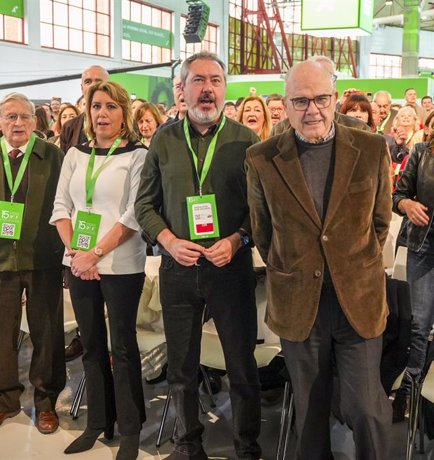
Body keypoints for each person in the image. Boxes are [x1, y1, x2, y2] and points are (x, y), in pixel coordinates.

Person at [246, 59, 392, 460]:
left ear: (335, 98)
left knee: (367, 407)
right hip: (298, 304)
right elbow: (263, 233)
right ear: (287, 104)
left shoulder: (371, 147)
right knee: (309, 413)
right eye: (300, 100)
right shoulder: (262, 158)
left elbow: (380, 222)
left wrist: (352, 263)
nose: (312, 109)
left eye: (321, 98)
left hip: (358, 301)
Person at [135, 51, 262, 460]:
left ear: (225, 89)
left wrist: (239, 239)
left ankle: (247, 447)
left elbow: (262, 211)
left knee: (241, 367)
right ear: (183, 89)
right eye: (198, 80)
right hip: (179, 267)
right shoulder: (164, 139)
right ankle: (187, 445)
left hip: (230, 268)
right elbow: (144, 205)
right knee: (181, 368)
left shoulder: (247, 141)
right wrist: (168, 240)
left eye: (216, 80)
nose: (207, 89)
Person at [51, 80, 147, 460]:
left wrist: (96, 253)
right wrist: (77, 252)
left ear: (124, 114)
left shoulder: (137, 155)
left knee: (122, 347)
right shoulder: (75, 154)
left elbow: (134, 214)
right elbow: (61, 208)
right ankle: (97, 423)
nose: (102, 114)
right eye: (96, 107)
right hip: (77, 261)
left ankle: (130, 428)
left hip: (121, 264)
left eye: (110, 107)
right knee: (90, 343)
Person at [0, 92, 66, 435]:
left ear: (36, 121)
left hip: (43, 260)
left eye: (24, 116)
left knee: (46, 334)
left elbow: (67, 208)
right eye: (10, 117)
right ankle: (4, 401)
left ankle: (46, 401)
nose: (18, 123)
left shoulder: (53, 157)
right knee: (2, 336)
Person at [391, 110, 434, 421]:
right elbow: (398, 195)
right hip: (424, 248)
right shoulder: (421, 153)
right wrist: (407, 204)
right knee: (419, 325)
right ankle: (409, 394)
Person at [60, 65, 109, 152]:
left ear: (109, 86)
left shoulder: (123, 124)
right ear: (82, 88)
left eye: (98, 81)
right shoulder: (68, 127)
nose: (93, 86)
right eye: (88, 82)